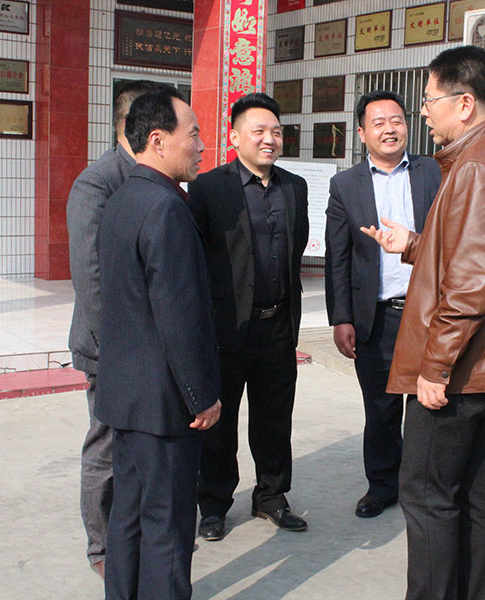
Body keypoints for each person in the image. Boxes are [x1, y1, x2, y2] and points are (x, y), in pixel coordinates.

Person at [361, 46, 485, 600]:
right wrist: (414, 244)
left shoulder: (478, 166)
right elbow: (473, 257)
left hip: (460, 370)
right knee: (475, 493)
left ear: (464, 104)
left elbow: (469, 285)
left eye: (429, 100)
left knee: (426, 495)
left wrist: (435, 368)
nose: (423, 113)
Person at [96, 88, 221, 600]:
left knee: (128, 517)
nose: (202, 146)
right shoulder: (166, 207)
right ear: (157, 139)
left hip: (127, 395)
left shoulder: (123, 198)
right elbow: (179, 316)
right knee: (167, 527)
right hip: (165, 403)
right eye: (193, 134)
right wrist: (201, 396)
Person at [187, 93, 310, 541]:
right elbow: (196, 258)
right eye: (259, 131)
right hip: (226, 329)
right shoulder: (207, 188)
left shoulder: (295, 187)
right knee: (219, 424)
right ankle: (214, 504)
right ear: (235, 137)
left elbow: (296, 250)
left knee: (275, 418)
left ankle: (272, 496)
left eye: (276, 131)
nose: (269, 139)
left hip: (278, 325)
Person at [66, 79, 170, 577]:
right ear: (135, 125)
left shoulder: (156, 178)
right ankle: (102, 548)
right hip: (109, 347)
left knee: (141, 446)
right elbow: (91, 276)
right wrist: (118, 349)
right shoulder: (98, 183)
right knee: (107, 445)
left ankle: (138, 536)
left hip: (148, 345)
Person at [324, 91, 440, 519]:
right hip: (378, 316)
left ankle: (423, 486)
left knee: (429, 408)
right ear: (362, 133)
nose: (390, 129)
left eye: (397, 120)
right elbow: (338, 256)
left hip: (429, 314)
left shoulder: (434, 171)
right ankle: (382, 486)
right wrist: (341, 318)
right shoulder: (345, 185)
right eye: (379, 123)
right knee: (381, 410)